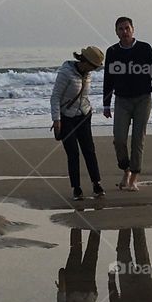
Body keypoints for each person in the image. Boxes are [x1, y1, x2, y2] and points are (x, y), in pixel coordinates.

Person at [102, 17, 152, 191]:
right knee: (119, 139)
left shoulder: (144, 48)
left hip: (143, 99)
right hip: (121, 100)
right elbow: (108, 78)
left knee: (138, 139)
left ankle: (134, 178)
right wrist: (106, 104)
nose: (124, 32)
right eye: (120, 29)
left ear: (133, 29)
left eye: (127, 28)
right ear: (116, 32)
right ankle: (126, 170)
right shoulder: (112, 51)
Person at [51, 45, 105, 200]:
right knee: (73, 153)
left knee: (89, 150)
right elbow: (55, 97)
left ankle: (96, 184)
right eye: (94, 66)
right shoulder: (66, 72)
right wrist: (56, 120)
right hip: (66, 117)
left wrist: (89, 109)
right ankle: (76, 188)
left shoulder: (87, 74)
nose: (94, 69)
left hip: (84, 115)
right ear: (85, 61)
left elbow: (84, 95)